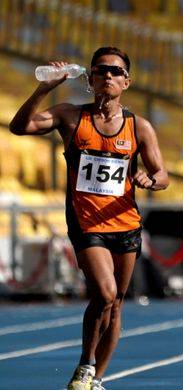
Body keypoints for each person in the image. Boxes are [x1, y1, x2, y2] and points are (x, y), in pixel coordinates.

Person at [9, 47, 169, 390]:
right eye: (100, 71)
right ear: (90, 78)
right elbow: (20, 127)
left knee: (116, 304)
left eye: (115, 71)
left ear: (127, 81)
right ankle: (85, 364)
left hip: (126, 224)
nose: (107, 76)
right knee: (105, 293)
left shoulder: (139, 127)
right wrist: (43, 89)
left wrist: (150, 180)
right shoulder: (70, 116)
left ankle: (96, 378)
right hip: (87, 224)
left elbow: (163, 174)